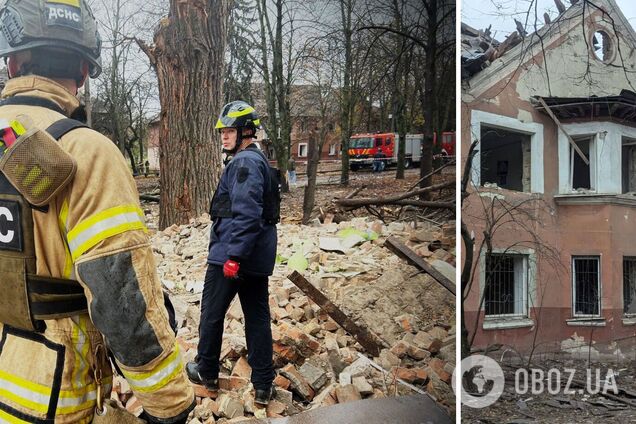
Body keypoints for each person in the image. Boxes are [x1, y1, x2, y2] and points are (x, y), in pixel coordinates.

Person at [0, 1, 195, 422]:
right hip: (49, 398)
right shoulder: (87, 152)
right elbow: (120, 299)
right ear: (85, 71)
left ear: (12, 61)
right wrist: (171, 402)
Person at [186, 101, 278, 405]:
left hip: (232, 257)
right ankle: (264, 385)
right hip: (255, 257)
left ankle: (206, 370)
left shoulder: (244, 164)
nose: (224, 136)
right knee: (257, 318)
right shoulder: (256, 160)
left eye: (230, 131)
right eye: (222, 131)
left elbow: (247, 213)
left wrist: (233, 257)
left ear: (246, 131)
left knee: (211, 313)